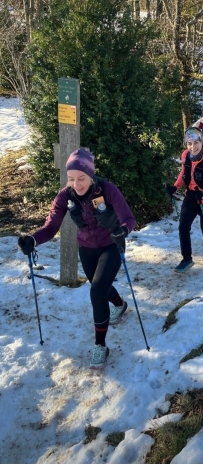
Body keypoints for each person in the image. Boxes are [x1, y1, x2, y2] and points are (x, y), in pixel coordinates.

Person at [18, 148, 136, 370]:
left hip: (111, 244)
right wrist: (32, 240)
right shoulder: (65, 196)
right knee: (99, 286)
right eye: (71, 179)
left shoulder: (107, 189)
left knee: (97, 291)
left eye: (81, 178)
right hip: (87, 249)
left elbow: (128, 218)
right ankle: (119, 304)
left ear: (91, 175)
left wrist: (123, 230)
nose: (77, 184)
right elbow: (51, 226)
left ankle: (100, 345)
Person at [166, 127, 203, 273]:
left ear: (202, 142)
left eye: (196, 142)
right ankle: (186, 259)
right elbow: (183, 172)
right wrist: (175, 187)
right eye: (189, 143)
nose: (193, 147)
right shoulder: (185, 155)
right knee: (183, 227)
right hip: (190, 197)